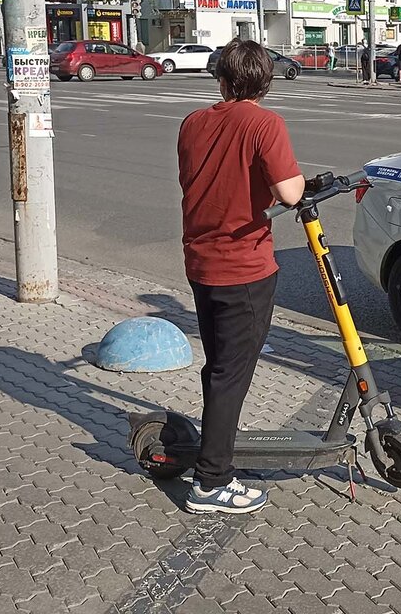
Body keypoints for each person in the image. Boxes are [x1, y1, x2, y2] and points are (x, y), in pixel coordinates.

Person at [177, 39, 304, 514]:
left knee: (217, 367)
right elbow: (290, 193)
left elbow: (202, 181)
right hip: (244, 268)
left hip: (201, 263)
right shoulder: (263, 123)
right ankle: (211, 482)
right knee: (232, 374)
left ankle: (214, 449)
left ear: (222, 78)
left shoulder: (193, 123)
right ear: (266, 81)